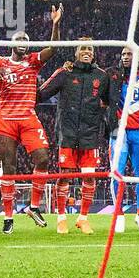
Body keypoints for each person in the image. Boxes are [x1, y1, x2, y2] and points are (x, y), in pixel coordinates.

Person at [0, 5, 63, 234]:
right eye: (19, 38)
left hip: (28, 118)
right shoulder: (1, 62)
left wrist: (55, 24)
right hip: (6, 119)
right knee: (9, 167)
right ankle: (8, 217)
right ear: (12, 44)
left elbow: (53, 47)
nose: (23, 41)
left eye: (26, 38)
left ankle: (33, 206)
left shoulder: (33, 61)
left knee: (42, 158)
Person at [38, 38, 108, 235]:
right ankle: (61, 218)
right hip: (67, 134)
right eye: (83, 49)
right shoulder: (65, 73)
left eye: (90, 49)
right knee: (64, 177)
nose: (87, 51)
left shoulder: (101, 77)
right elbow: (41, 93)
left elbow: (109, 101)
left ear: (93, 54)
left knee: (89, 177)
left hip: (90, 136)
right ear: (76, 53)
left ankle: (83, 218)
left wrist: (103, 123)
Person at [107, 47, 139, 234]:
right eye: (123, 54)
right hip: (118, 132)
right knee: (117, 172)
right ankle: (119, 215)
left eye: (129, 54)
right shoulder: (112, 74)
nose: (126, 57)